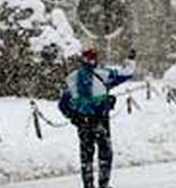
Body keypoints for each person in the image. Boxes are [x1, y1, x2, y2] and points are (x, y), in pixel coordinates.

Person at [58, 47, 136, 188]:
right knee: (105, 154)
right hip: (101, 122)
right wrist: (130, 60)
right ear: (95, 60)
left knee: (86, 156)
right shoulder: (103, 74)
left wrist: (73, 117)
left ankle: (88, 185)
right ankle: (103, 184)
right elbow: (126, 74)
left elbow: (63, 104)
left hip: (82, 123)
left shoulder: (72, 78)